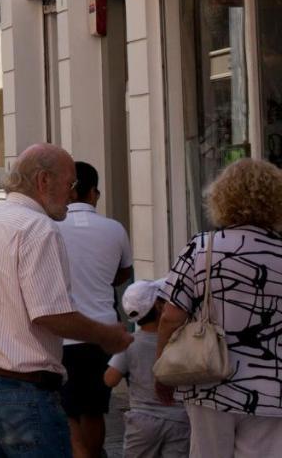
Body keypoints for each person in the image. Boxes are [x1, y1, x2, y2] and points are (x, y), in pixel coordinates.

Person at [0, 144, 133, 457]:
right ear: (44, 181)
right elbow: (50, 314)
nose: (73, 195)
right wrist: (106, 335)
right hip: (21, 392)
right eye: (70, 184)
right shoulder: (38, 228)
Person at [156, 158, 282, 456]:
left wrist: (161, 369)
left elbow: (170, 316)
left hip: (208, 379)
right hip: (273, 387)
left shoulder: (202, 248)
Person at [57, 162, 133, 458]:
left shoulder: (51, 227)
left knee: (67, 407)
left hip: (61, 331)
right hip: (101, 331)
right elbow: (123, 272)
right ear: (94, 192)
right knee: (93, 408)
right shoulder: (114, 229)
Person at [103, 280, 190, 458]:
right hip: (179, 420)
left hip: (142, 421)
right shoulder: (179, 342)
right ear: (160, 307)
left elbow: (109, 379)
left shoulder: (130, 343)